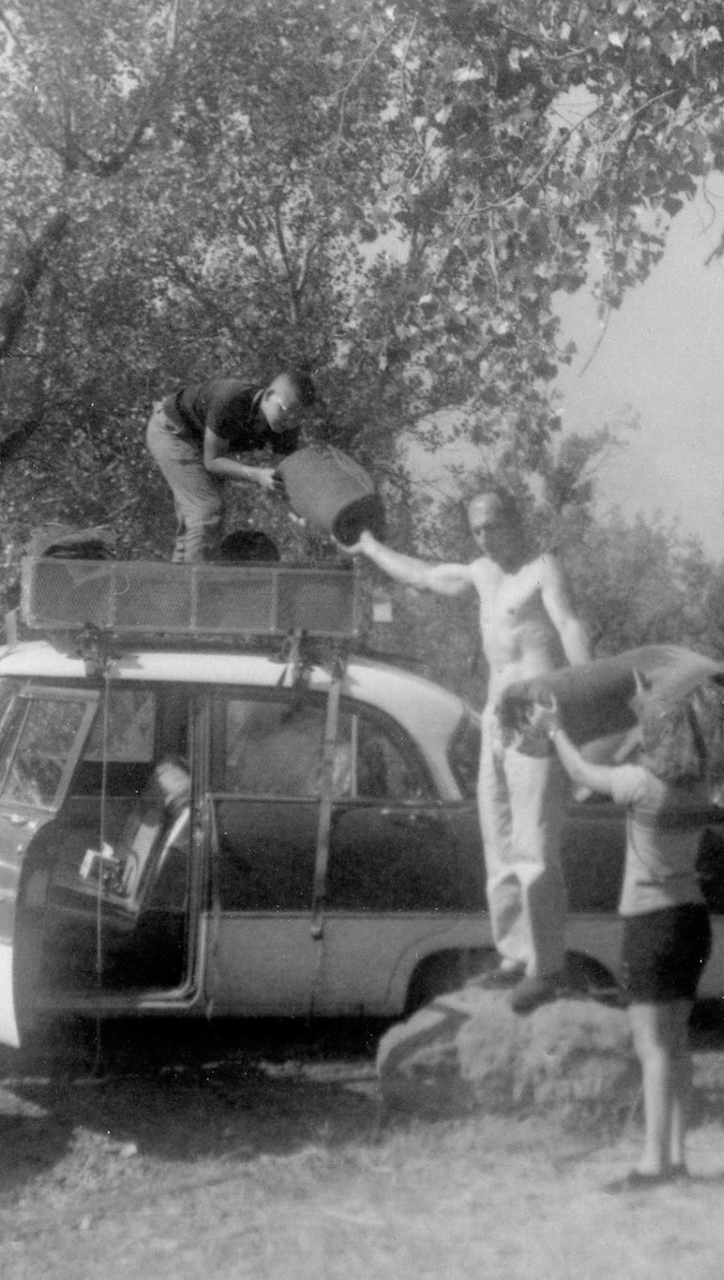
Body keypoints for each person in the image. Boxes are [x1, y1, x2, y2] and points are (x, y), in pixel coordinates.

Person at [344, 490, 591, 1012]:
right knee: (498, 844)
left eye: (494, 526)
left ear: (517, 522)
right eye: (477, 529)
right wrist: (368, 546)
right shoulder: (482, 573)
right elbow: (423, 576)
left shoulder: (543, 569)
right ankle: (514, 956)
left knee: (536, 848)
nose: (485, 537)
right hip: (498, 721)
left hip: (538, 718)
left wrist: (587, 699)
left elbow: (570, 626)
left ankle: (546, 966)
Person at [530, 687, 714, 1191]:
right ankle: (676, 1156)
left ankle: (652, 1164)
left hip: (650, 922)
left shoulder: (640, 783)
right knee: (676, 1045)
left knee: (651, 1047)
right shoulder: (702, 786)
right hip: (692, 920)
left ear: (653, 735)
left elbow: (583, 774)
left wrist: (553, 730)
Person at [145, 370, 316, 562]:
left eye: (298, 417)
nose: (290, 421)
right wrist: (257, 475)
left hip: (200, 441)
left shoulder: (286, 426)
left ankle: (180, 586)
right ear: (269, 396)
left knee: (196, 520)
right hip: (173, 431)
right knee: (206, 510)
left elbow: (287, 476)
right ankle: (200, 586)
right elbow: (212, 462)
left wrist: (300, 511)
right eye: (287, 411)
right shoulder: (232, 400)